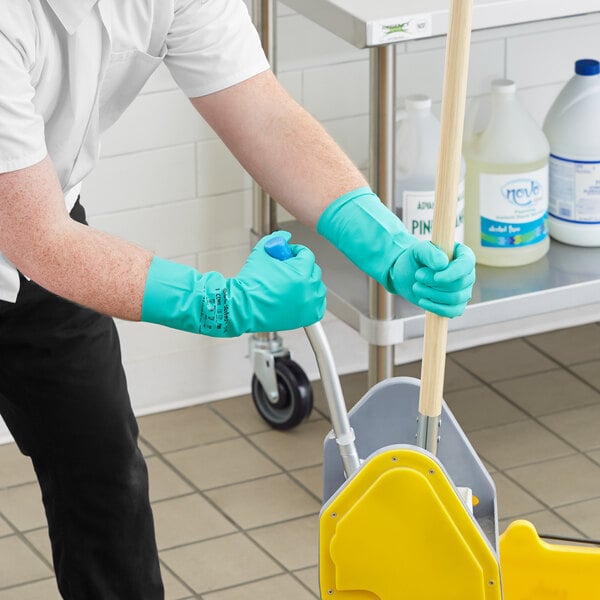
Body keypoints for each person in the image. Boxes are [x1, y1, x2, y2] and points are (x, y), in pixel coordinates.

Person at [0, 0, 476, 598]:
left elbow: (262, 113)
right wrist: (220, 303)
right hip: (39, 234)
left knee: (103, 479)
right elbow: (39, 238)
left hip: (46, 245)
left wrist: (387, 245)